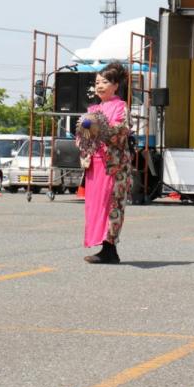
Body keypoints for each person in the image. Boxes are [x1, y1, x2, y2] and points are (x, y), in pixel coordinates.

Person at [77, 62, 131, 264]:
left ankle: (110, 249)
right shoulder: (93, 109)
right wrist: (83, 135)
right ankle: (104, 247)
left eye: (105, 82)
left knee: (112, 205)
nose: (99, 86)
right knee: (96, 206)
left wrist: (101, 128)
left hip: (113, 166)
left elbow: (122, 130)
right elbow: (83, 137)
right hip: (95, 164)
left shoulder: (120, 106)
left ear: (115, 85)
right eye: (97, 82)